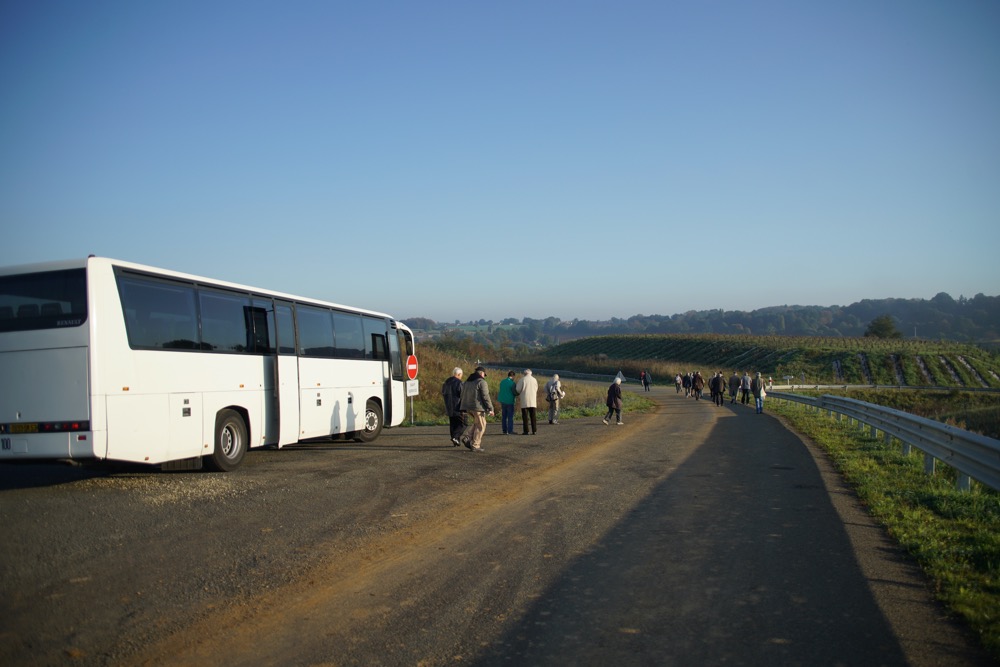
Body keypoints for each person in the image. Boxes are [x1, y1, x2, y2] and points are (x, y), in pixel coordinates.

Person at [459, 366, 494, 451]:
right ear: (482, 373)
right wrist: (490, 408)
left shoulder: (467, 381)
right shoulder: (481, 382)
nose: (484, 376)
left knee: (477, 423)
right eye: (484, 375)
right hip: (477, 407)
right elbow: (485, 396)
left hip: (467, 406)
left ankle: (468, 437)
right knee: (481, 425)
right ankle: (475, 445)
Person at [441, 367, 465, 446]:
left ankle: (455, 441)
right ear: (459, 374)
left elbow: (443, 393)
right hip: (458, 407)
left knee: (453, 424)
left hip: (449, 406)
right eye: (461, 375)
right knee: (464, 423)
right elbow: (462, 395)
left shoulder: (446, 382)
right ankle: (455, 437)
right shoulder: (459, 383)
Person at [515, 368, 539, 435]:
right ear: (531, 373)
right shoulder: (534, 380)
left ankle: (526, 431)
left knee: (525, 417)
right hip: (533, 401)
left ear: (524, 373)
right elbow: (536, 388)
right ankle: (534, 430)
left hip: (524, 400)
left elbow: (517, 390)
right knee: (533, 416)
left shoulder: (522, 380)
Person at [498, 370, 518, 435]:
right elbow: (514, 392)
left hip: (502, 400)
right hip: (509, 401)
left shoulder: (502, 382)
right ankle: (510, 430)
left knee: (504, 416)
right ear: (513, 376)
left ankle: (504, 430)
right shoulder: (512, 383)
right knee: (510, 416)